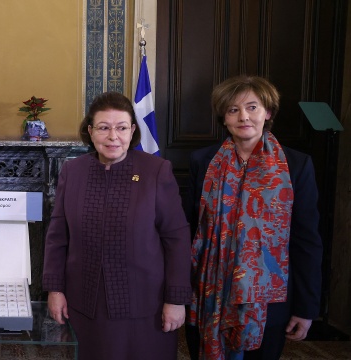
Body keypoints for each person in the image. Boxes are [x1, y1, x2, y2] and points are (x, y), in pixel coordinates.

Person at [43, 92, 192, 360]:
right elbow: (57, 235)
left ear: (132, 130)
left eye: (121, 127)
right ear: (90, 131)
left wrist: (176, 298)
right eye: (103, 127)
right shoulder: (73, 171)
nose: (113, 136)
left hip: (146, 306)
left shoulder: (156, 171)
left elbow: (177, 238)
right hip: (85, 303)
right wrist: (55, 289)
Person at [185, 75, 323, 359]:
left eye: (252, 107)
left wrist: (306, 308)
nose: (243, 116)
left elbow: (306, 240)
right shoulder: (203, 161)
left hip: (269, 304)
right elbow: (188, 230)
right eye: (233, 109)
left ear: (268, 113)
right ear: (224, 117)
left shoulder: (297, 165)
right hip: (209, 296)